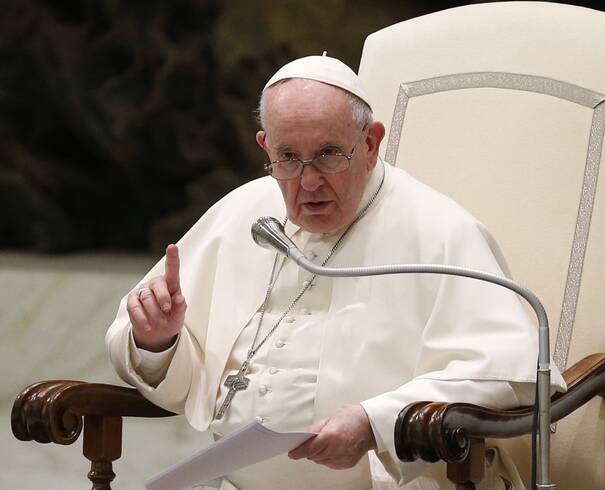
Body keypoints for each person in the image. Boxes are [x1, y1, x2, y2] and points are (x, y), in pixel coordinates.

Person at [106, 55, 565, 490]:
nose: (307, 182)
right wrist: (159, 341)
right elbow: (182, 374)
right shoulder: (244, 211)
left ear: (370, 143)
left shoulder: (437, 229)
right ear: (265, 146)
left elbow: (510, 370)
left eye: (328, 154)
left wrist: (375, 421)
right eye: (287, 157)